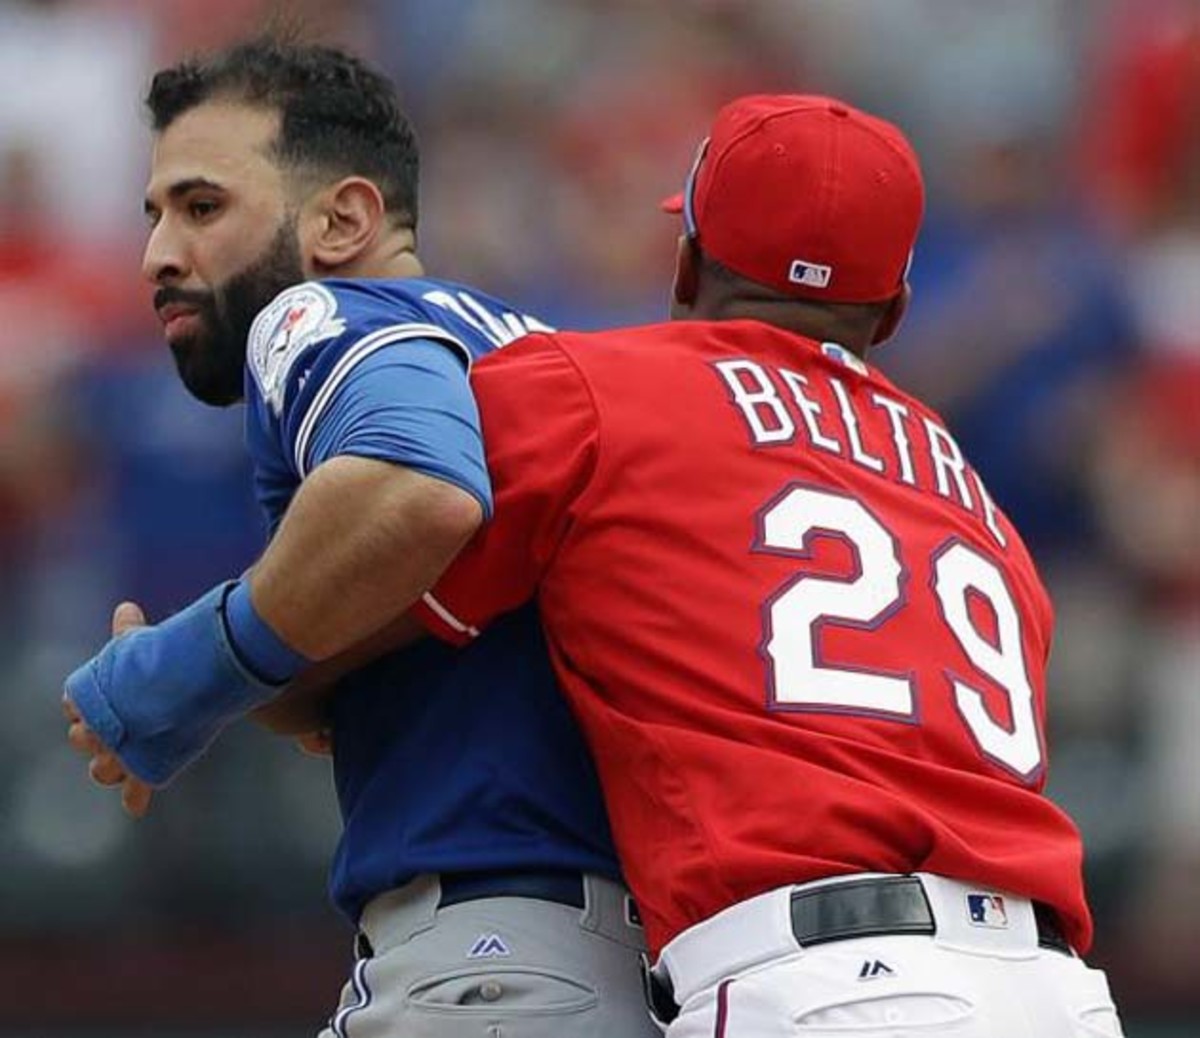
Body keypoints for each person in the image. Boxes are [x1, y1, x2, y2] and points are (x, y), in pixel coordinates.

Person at [357, 94, 1130, 1035]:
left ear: (686, 263)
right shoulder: (968, 492)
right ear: (892, 310)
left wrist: (186, 672)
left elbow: (380, 578)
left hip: (833, 980)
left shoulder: (594, 387)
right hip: (1055, 989)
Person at [62, 37, 655, 1038]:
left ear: (343, 219)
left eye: (203, 208)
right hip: (613, 946)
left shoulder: (320, 312)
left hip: (497, 956)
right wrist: (242, 667)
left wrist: (182, 669)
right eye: (154, 215)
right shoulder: (539, 350)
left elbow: (417, 489)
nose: (159, 253)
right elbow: (412, 643)